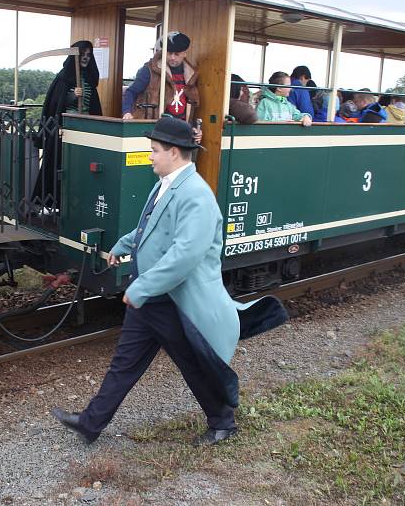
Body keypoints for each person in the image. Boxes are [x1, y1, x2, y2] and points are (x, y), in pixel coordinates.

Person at [51, 117, 288, 446]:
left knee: (191, 364)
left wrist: (142, 288)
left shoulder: (196, 196)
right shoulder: (166, 182)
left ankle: (223, 423)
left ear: (174, 153)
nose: (150, 156)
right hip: (154, 297)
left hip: (174, 299)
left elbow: (185, 255)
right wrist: (124, 244)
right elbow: (153, 229)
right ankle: (91, 423)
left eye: (155, 151)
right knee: (126, 361)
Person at [36, 41, 102, 205]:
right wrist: (72, 96)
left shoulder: (89, 78)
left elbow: (93, 105)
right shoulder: (64, 77)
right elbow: (55, 103)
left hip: (86, 127)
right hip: (66, 128)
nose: (86, 58)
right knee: (62, 165)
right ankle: (54, 202)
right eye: (83, 54)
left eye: (89, 55)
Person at [122, 32, 199, 123]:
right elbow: (131, 92)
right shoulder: (149, 70)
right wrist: (127, 112)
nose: (172, 57)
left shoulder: (191, 75)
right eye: (169, 53)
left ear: (184, 54)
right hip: (155, 126)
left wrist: (193, 128)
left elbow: (192, 106)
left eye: (176, 54)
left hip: (181, 127)